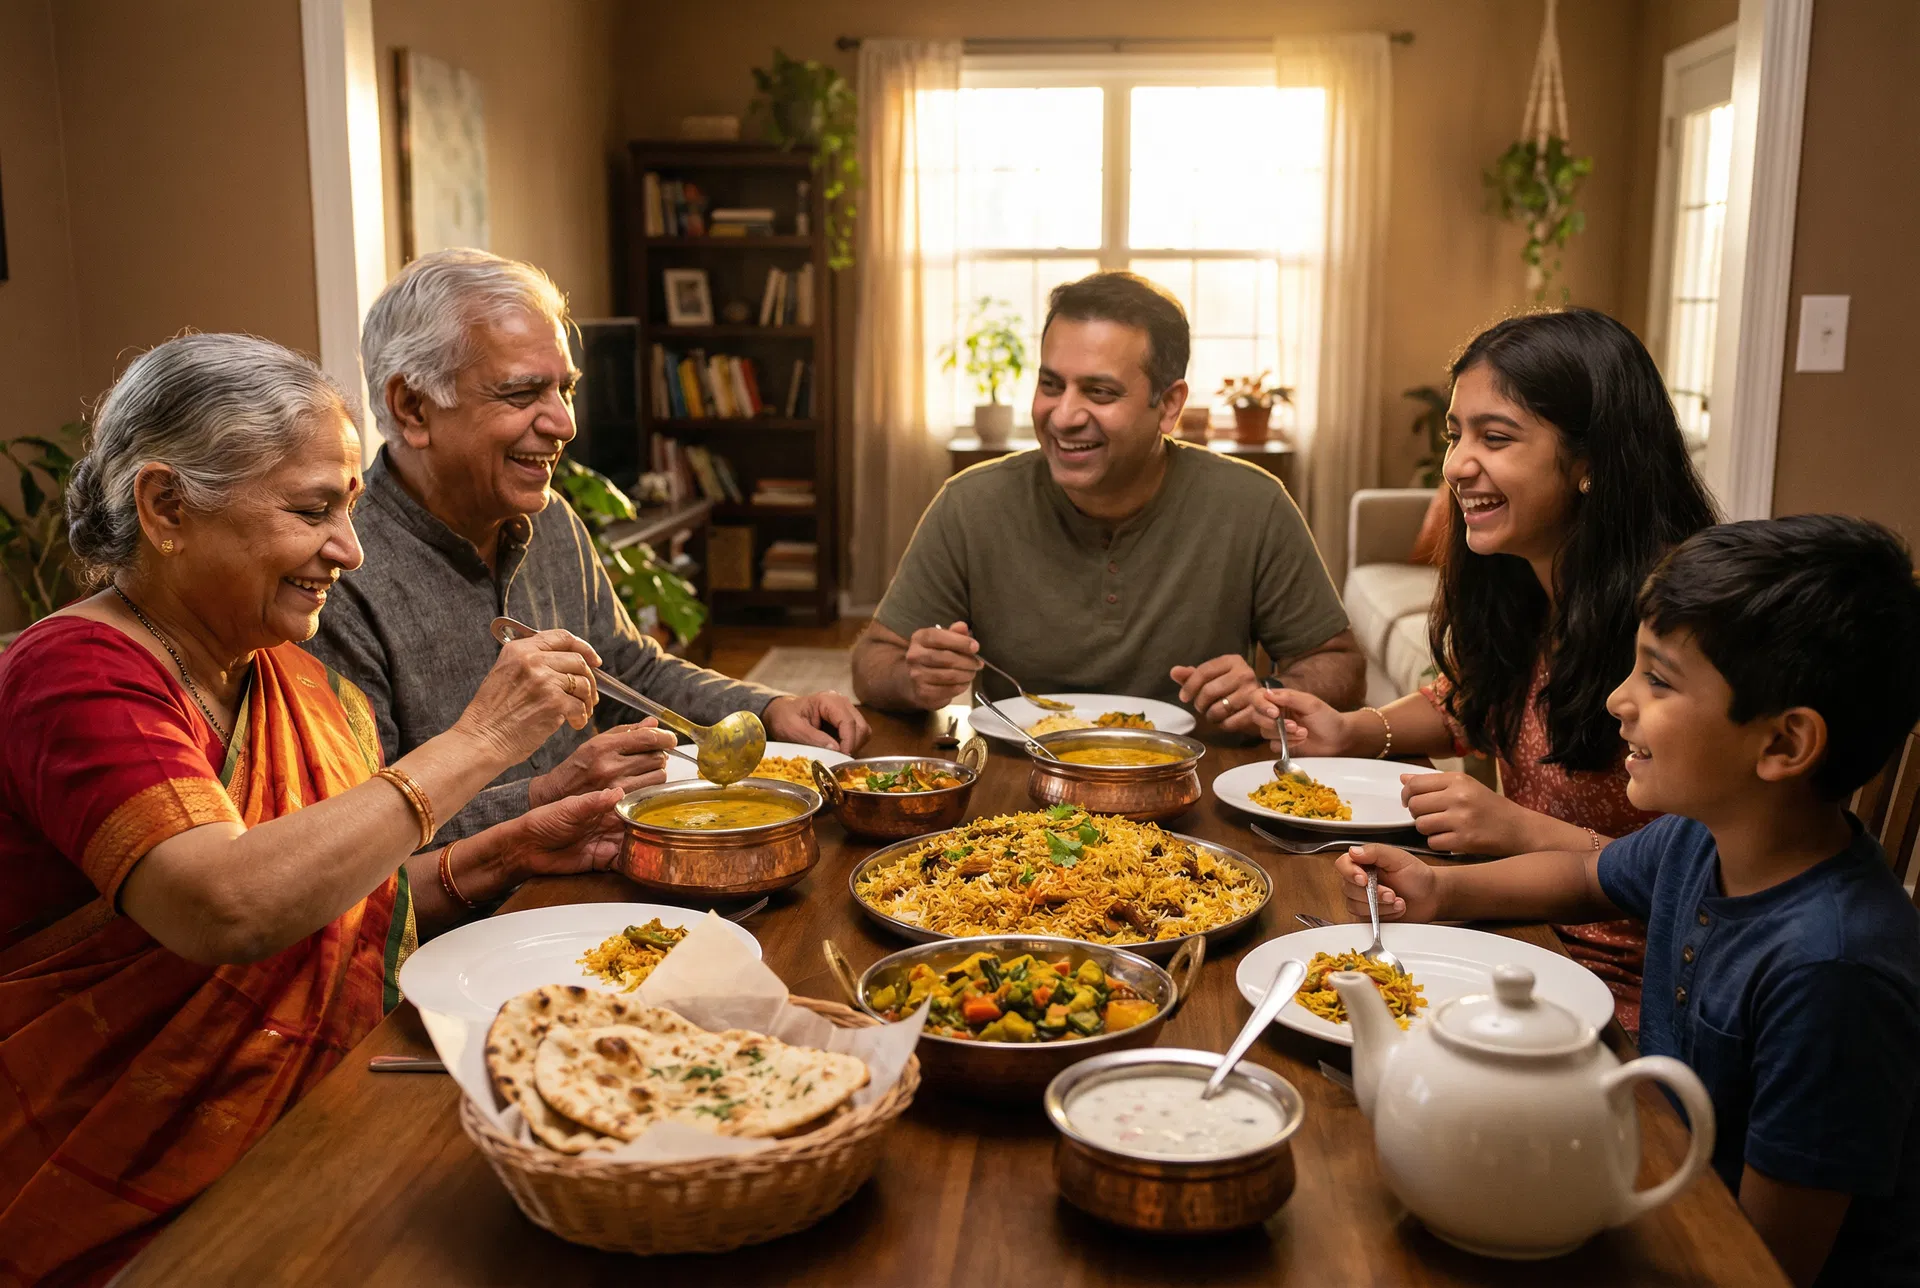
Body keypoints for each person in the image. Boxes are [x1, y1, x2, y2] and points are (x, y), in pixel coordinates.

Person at [0, 335, 619, 1283]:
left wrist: (512, 850)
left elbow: (335, 903)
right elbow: (226, 906)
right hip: (127, 1193)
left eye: (352, 508)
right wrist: (482, 740)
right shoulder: (74, 673)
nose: (351, 549)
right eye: (311, 510)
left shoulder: (280, 674)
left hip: (313, 1125)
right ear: (165, 507)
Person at [1335, 515, 1920, 1288]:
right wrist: (1442, 888)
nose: (1619, 699)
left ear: (1782, 746)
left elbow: (1767, 1262)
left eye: (1659, 679)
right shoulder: (1701, 839)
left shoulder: (1830, 971)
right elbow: (1586, 876)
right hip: (1662, 1173)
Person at [1246, 308, 1719, 1033]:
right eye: (1455, 434)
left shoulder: (1677, 627)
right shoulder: (1529, 581)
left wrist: (1515, 828)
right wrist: (1352, 728)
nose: (1456, 465)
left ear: (1592, 459)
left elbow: (1708, 869)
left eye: (1494, 438)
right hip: (1517, 936)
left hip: (1641, 991)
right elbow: (1478, 699)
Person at [307, 249, 868, 845]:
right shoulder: (334, 577)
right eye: (523, 394)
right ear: (412, 407)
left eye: (565, 389)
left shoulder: (550, 518)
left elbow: (628, 671)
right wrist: (548, 795)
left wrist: (768, 708)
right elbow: (357, 839)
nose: (565, 424)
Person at [850, 270, 1363, 721]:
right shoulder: (969, 503)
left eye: (1099, 392)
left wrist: (1268, 695)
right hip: (1016, 793)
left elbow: (1339, 667)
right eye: (1051, 385)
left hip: (1194, 785)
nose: (1063, 415)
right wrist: (912, 679)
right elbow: (874, 662)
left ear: (1168, 406)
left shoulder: (1254, 504)